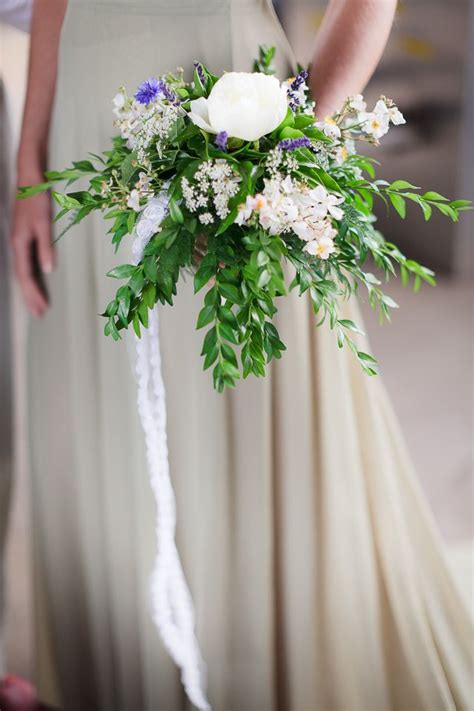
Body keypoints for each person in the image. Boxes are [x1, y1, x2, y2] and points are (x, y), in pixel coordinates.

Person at [10, 0, 472, 709]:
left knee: (240, 428)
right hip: (83, 124)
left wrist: (294, 138)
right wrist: (30, 161)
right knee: (97, 430)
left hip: (230, 114)